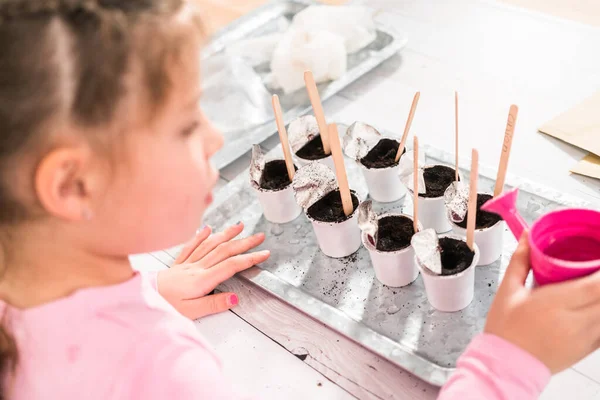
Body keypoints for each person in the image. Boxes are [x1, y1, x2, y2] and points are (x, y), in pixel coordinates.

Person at [0, 1, 599, 399]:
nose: (215, 139)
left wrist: (145, 296)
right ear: (72, 186)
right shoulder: (163, 374)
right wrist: (505, 365)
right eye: (186, 126)